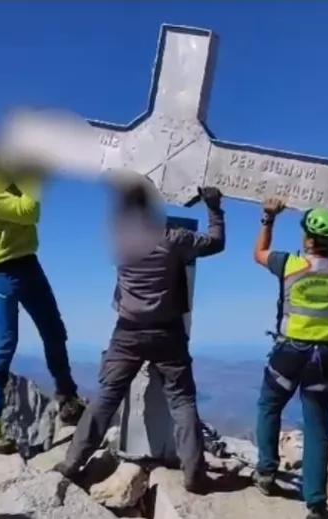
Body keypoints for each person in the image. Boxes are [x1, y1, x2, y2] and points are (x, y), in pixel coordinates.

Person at [55, 180, 226, 494]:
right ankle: (194, 473)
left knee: (106, 398)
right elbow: (216, 243)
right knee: (182, 401)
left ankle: (73, 462)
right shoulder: (173, 238)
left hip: (128, 332)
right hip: (168, 333)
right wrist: (214, 210)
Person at [0, 116, 85, 454]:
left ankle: (67, 397)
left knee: (54, 329)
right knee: (5, 343)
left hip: (26, 263)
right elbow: (28, 209)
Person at [250, 197, 328, 519]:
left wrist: (268, 217)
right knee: (317, 429)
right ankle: (316, 505)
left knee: (269, 406)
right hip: (324, 358)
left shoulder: (292, 265)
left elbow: (259, 254)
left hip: (289, 353)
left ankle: (266, 472)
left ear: (308, 239)